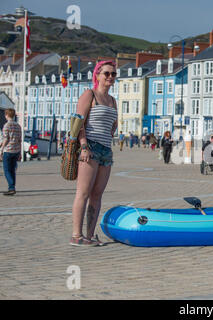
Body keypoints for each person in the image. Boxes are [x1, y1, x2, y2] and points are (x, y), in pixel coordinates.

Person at [70, 60, 118, 247]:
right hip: (90, 147)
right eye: (106, 73)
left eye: (113, 74)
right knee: (83, 192)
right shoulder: (90, 95)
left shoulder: (112, 100)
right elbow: (78, 122)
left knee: (97, 194)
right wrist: (83, 146)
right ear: (97, 75)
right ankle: (76, 235)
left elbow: (113, 126)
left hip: (106, 150)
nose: (110, 77)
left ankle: (89, 235)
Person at [0, 108, 22, 196]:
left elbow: (6, 139)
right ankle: (12, 187)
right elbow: (19, 140)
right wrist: (20, 152)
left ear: (6, 115)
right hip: (16, 150)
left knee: (6, 170)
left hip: (8, 150)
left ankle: (11, 187)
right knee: (12, 170)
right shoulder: (18, 126)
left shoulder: (6, 126)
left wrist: (1, 149)